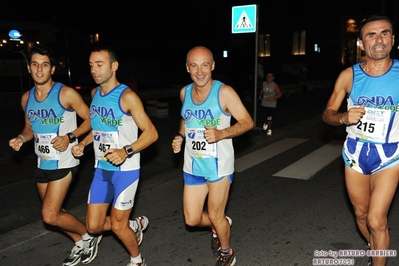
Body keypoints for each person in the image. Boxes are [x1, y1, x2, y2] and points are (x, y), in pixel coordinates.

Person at [8, 44, 101, 266]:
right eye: (35, 64)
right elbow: (29, 128)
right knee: (57, 212)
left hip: (65, 160)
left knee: (49, 215)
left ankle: (89, 237)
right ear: (29, 69)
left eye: (45, 65)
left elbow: (91, 120)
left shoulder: (65, 93)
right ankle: (80, 242)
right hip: (43, 162)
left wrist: (70, 137)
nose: (40, 69)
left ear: (52, 69)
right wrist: (21, 138)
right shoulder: (26, 99)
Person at [71, 43, 158, 266]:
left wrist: (126, 151)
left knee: (118, 225)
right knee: (93, 226)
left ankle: (137, 260)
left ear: (114, 66)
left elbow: (151, 134)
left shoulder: (127, 97)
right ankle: (135, 226)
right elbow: (99, 129)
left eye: (99, 64)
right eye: (91, 65)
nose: (94, 70)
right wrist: (84, 143)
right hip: (101, 169)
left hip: (126, 170)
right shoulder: (94, 93)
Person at [322, 15, 398, 266]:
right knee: (362, 215)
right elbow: (327, 114)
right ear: (362, 44)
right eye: (371, 35)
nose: (379, 40)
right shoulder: (348, 76)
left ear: (393, 39)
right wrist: (343, 117)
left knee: (377, 220)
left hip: (390, 156)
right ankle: (375, 245)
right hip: (355, 154)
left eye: (384, 33)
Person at [171, 46, 254, 266]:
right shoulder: (184, 92)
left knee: (215, 214)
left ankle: (227, 253)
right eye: (194, 66)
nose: (200, 71)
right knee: (192, 219)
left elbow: (248, 122)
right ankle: (221, 224)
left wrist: (221, 133)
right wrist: (180, 136)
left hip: (219, 166)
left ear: (213, 66)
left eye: (205, 65)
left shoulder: (224, 92)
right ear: (187, 68)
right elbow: (186, 118)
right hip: (192, 165)